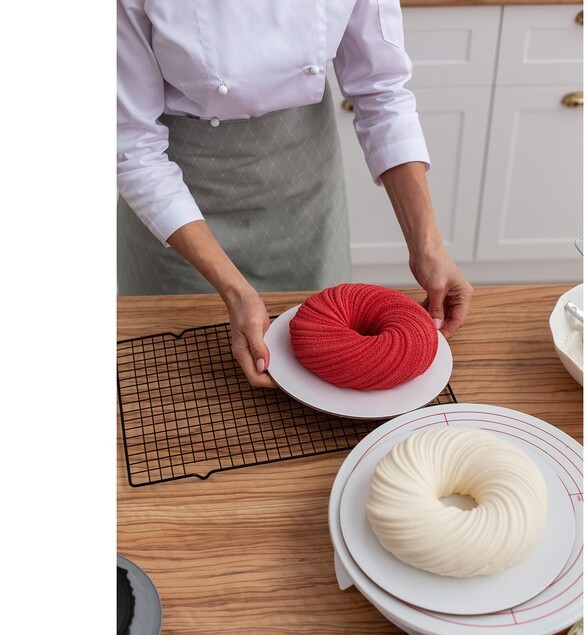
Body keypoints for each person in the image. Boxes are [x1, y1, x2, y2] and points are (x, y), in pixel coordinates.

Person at [117, 0, 473, 389]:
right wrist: (235, 292)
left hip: (304, 194)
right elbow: (132, 145)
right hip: (180, 208)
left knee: (330, 362)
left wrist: (427, 246)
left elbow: (382, 93)